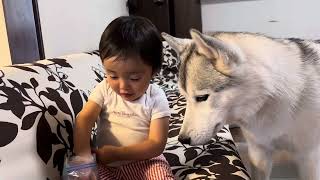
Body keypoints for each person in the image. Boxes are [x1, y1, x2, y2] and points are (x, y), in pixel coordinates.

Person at [73, 16, 175, 180]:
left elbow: (156, 144)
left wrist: (117, 154)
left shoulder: (156, 97)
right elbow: (84, 119)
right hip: (106, 165)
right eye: (113, 76)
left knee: (161, 175)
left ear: (153, 71)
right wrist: (83, 157)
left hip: (146, 162)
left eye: (134, 78)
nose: (122, 86)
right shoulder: (104, 89)